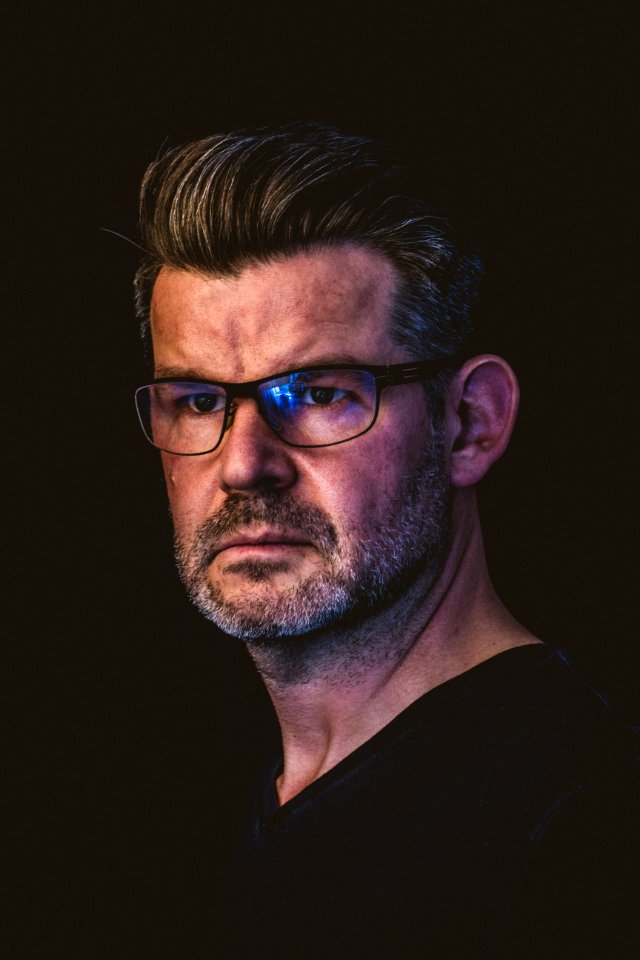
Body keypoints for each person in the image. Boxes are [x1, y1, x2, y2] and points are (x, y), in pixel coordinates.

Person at [132, 122, 638, 958]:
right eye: (197, 401)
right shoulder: (225, 813)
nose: (243, 465)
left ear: (470, 423)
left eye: (321, 392)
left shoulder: (590, 827)